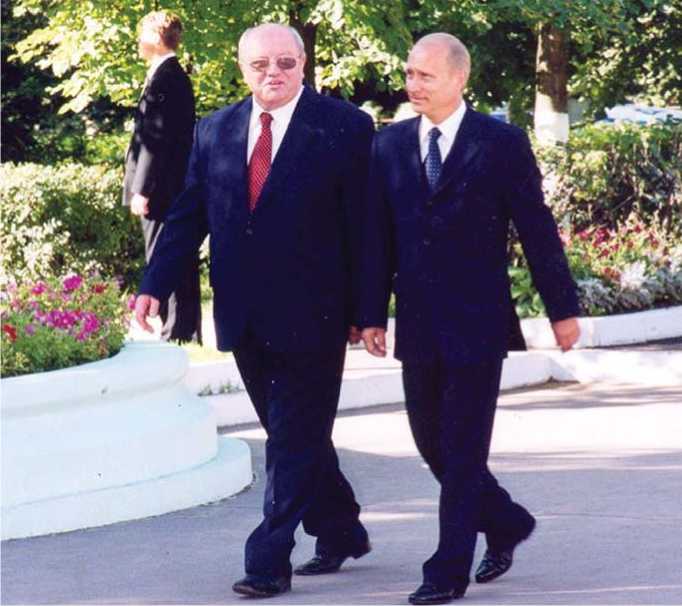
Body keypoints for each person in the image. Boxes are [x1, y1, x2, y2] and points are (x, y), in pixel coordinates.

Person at [135, 23, 373, 599]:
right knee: (294, 431)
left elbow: (366, 228)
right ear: (242, 69)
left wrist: (368, 312)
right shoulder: (215, 129)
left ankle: (267, 559)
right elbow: (189, 213)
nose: (274, 73)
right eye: (261, 64)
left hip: (316, 315)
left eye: (286, 62)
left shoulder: (345, 127)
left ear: (303, 63)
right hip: (243, 311)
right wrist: (154, 284)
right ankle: (340, 528)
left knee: (290, 438)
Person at [360, 33, 581, 604]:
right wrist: (370, 315)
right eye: (409, 74)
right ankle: (506, 522)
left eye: (425, 76)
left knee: (462, 450)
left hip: (478, 323)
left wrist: (562, 309)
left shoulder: (500, 143)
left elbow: (536, 227)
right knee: (430, 442)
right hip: (417, 322)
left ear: (459, 79)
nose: (413, 85)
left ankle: (446, 571)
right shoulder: (389, 145)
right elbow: (376, 238)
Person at [123, 11, 202, 344]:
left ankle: (177, 329)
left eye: (142, 34)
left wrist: (142, 189)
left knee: (165, 254)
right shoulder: (167, 75)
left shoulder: (166, 78)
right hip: (167, 186)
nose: (138, 41)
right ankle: (179, 328)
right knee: (170, 253)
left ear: (156, 38)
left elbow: (156, 139)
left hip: (162, 189)